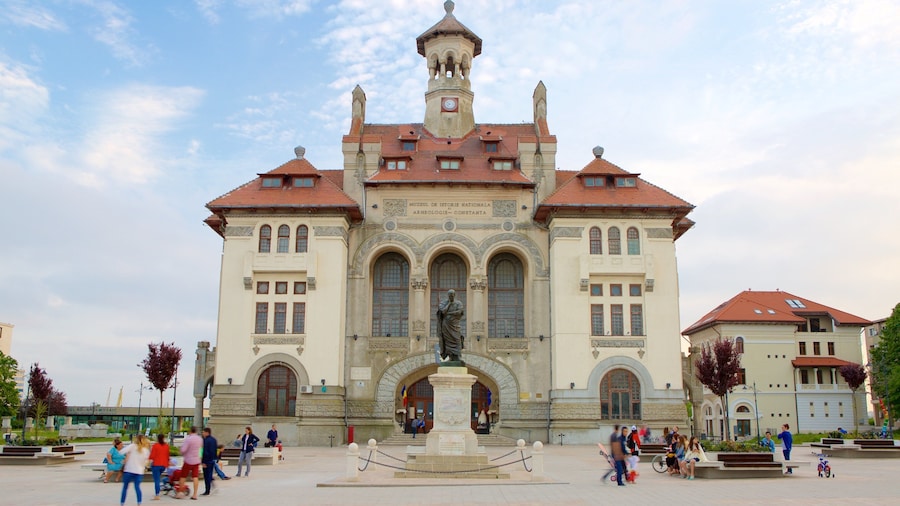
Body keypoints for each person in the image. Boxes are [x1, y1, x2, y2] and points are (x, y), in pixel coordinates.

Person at [120, 434, 151, 504]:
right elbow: (147, 462)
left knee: (125, 488)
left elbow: (121, 452)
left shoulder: (132, 446)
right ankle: (139, 502)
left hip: (129, 470)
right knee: (137, 487)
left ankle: (122, 503)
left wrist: (128, 454)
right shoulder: (145, 450)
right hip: (139, 471)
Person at [436, 289, 465, 363]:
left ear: (454, 295)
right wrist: (449, 304)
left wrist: (449, 313)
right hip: (446, 325)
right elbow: (443, 311)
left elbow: (459, 312)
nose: (451, 296)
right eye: (450, 295)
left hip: (454, 325)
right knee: (447, 341)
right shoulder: (444, 303)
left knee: (457, 339)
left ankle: (458, 356)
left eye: (452, 295)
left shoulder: (459, 303)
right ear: (448, 296)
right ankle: (450, 356)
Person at [179, 426, 203, 500]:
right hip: (196, 461)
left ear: (190, 431)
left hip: (188, 460)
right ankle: (195, 494)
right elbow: (201, 450)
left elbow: (183, 450)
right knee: (195, 477)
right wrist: (200, 458)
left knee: (183, 476)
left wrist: (181, 452)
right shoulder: (200, 439)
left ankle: (181, 492)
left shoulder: (188, 439)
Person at [149, 433, 171, 501]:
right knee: (158, 478)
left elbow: (152, 456)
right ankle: (159, 490)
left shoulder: (155, 446)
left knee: (157, 480)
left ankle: (157, 494)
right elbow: (168, 456)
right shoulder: (166, 446)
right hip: (163, 465)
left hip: (156, 465)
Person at [201, 427, 218, 496]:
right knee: (210, 474)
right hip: (212, 459)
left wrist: (203, 461)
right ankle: (211, 486)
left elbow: (204, 451)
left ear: (207, 432)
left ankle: (207, 490)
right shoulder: (214, 440)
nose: (203, 433)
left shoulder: (205, 441)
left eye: (203, 432)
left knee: (206, 475)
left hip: (206, 460)